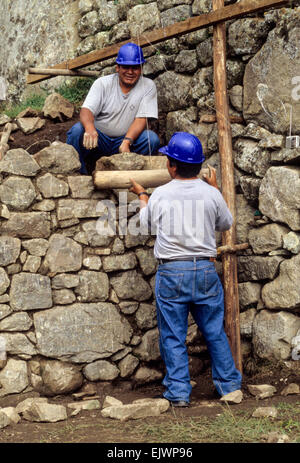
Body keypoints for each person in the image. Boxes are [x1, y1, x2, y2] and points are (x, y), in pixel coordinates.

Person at [130, 132, 242, 407]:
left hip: (172, 271)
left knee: (173, 334)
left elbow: (145, 226)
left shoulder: (161, 195)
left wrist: (142, 194)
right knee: (214, 330)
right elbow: (226, 224)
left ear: (172, 165)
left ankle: (179, 393)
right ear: (198, 165)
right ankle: (229, 387)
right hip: (204, 269)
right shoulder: (210, 194)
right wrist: (214, 190)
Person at [67, 42, 160, 174]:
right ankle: (80, 175)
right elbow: (86, 110)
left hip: (124, 142)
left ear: (141, 68)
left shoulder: (148, 86)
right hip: (98, 141)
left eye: (135, 68)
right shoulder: (102, 84)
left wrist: (127, 141)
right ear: (117, 67)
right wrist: (90, 128)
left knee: (151, 139)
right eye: (126, 67)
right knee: (77, 131)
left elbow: (142, 119)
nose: (130, 72)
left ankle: (132, 177)